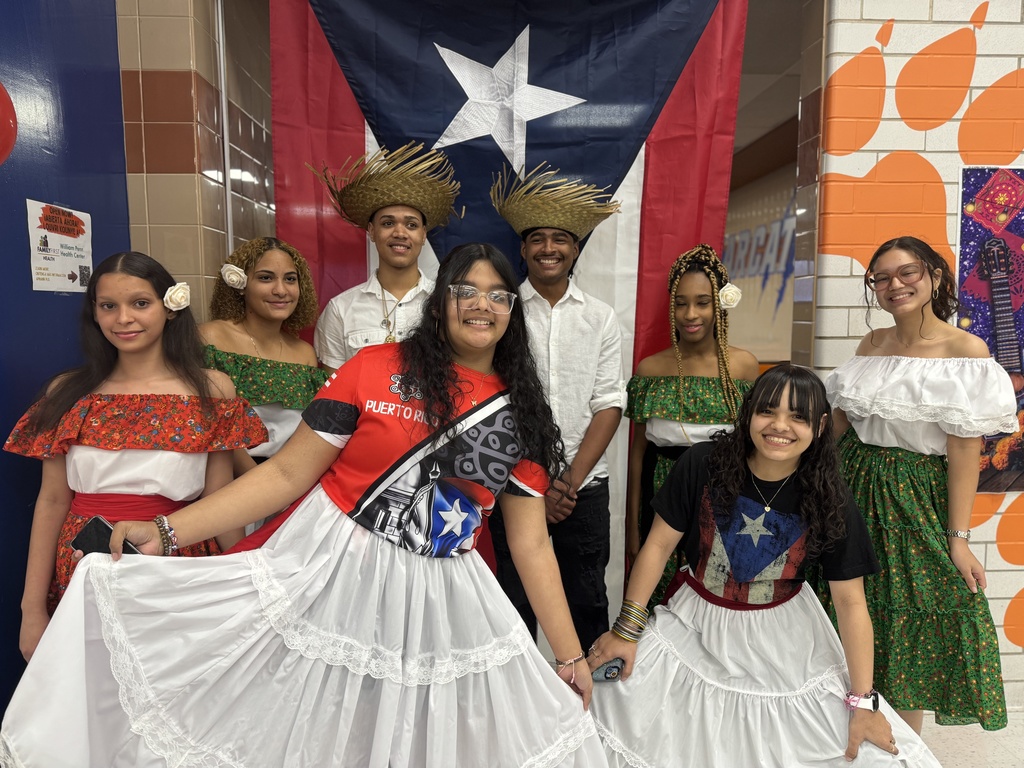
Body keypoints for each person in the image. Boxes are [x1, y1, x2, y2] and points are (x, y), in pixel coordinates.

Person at [0, 243, 609, 768]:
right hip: (331, 566)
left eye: (498, 295)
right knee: (308, 716)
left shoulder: (521, 414)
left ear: (512, 312)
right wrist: (167, 531)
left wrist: (568, 653)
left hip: (440, 594)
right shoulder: (372, 369)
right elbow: (287, 473)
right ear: (440, 302)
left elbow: (530, 543)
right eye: (465, 291)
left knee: (418, 732)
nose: (482, 304)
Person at [585, 365, 942, 767]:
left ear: (821, 425)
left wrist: (863, 702)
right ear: (748, 411)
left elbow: (851, 603)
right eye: (768, 411)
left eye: (798, 417)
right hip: (694, 621)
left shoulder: (830, 495)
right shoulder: (702, 462)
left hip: (785, 635)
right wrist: (627, 631)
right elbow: (658, 547)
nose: (780, 426)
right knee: (612, 702)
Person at [3, 252, 266, 662]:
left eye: (140, 303)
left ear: (170, 307)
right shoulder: (67, 393)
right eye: (109, 306)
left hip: (181, 561)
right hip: (83, 563)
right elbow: (53, 501)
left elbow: (220, 507)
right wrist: (31, 610)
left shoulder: (213, 391)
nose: (123, 318)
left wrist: (250, 581)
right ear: (95, 313)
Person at [823, 235, 1017, 733]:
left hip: (915, 497)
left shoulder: (965, 350)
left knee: (908, 614)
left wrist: (958, 539)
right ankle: (852, 732)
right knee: (852, 604)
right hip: (854, 484)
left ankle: (901, 747)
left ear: (934, 276)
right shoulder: (871, 344)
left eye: (907, 272)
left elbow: (964, 450)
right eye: (882, 277)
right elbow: (838, 423)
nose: (895, 285)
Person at [489, 163, 626, 652]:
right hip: (511, 486)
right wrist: (535, 485)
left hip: (583, 491)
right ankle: (520, 718)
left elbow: (609, 403)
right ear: (523, 249)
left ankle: (590, 716)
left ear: (575, 248)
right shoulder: (500, 311)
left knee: (588, 604)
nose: (549, 248)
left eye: (560, 239)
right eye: (538, 238)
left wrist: (566, 483)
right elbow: (492, 400)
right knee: (513, 607)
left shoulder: (601, 317)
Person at [625, 244, 759, 609]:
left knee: (719, 598)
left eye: (702, 301)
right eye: (680, 302)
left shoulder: (744, 367)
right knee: (660, 600)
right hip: (662, 499)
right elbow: (637, 455)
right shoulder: (650, 370)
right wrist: (632, 529)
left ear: (721, 303)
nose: (690, 313)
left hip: (726, 499)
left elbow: (756, 449)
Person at [311, 141, 459, 374]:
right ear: (371, 231)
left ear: (423, 235)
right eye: (388, 223)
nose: (400, 233)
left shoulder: (448, 304)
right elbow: (334, 395)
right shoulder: (340, 309)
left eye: (411, 224)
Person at [201, 236, 328, 478]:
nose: (280, 290)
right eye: (265, 278)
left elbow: (307, 436)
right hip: (228, 482)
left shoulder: (305, 353)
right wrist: (261, 485)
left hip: (291, 480)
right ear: (240, 285)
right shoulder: (211, 338)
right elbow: (211, 427)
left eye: (290, 279)